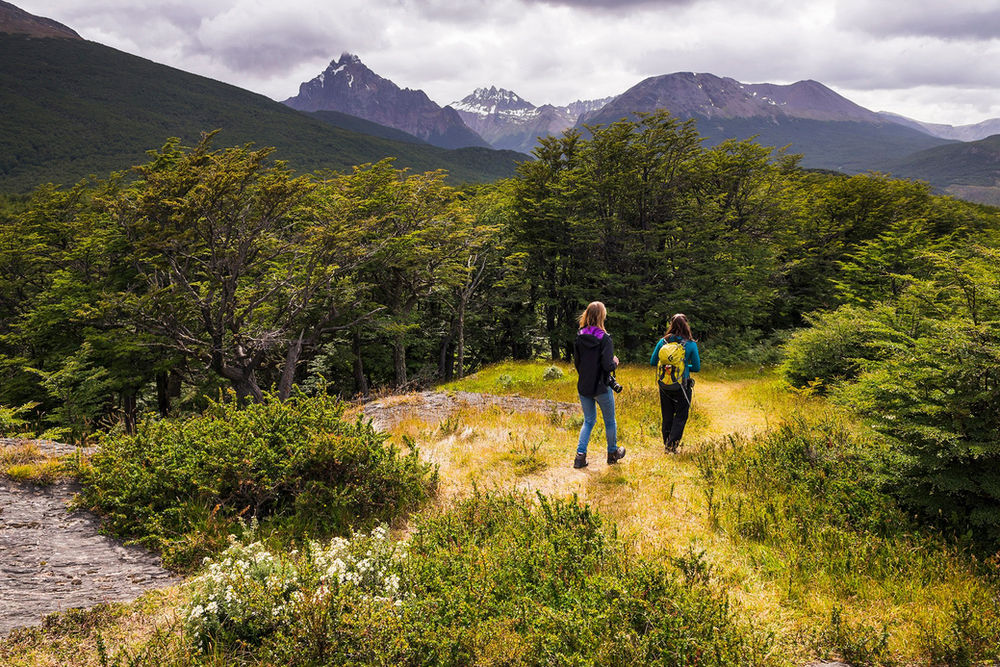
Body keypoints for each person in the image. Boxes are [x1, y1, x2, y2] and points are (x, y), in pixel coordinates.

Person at [572, 301, 626, 469]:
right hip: (602, 386)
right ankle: (612, 454)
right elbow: (607, 366)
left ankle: (580, 457)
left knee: (588, 421)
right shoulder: (605, 338)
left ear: (587, 314)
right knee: (610, 421)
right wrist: (615, 362)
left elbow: (577, 363)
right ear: (602, 316)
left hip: (584, 386)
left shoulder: (579, 335)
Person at [649, 313, 700, 453]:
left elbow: (653, 362)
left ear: (671, 325)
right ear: (686, 325)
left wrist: (669, 368)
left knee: (667, 413)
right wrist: (682, 367)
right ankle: (671, 446)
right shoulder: (690, 344)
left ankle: (667, 442)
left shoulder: (663, 342)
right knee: (681, 414)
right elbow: (696, 367)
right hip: (682, 384)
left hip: (664, 384)